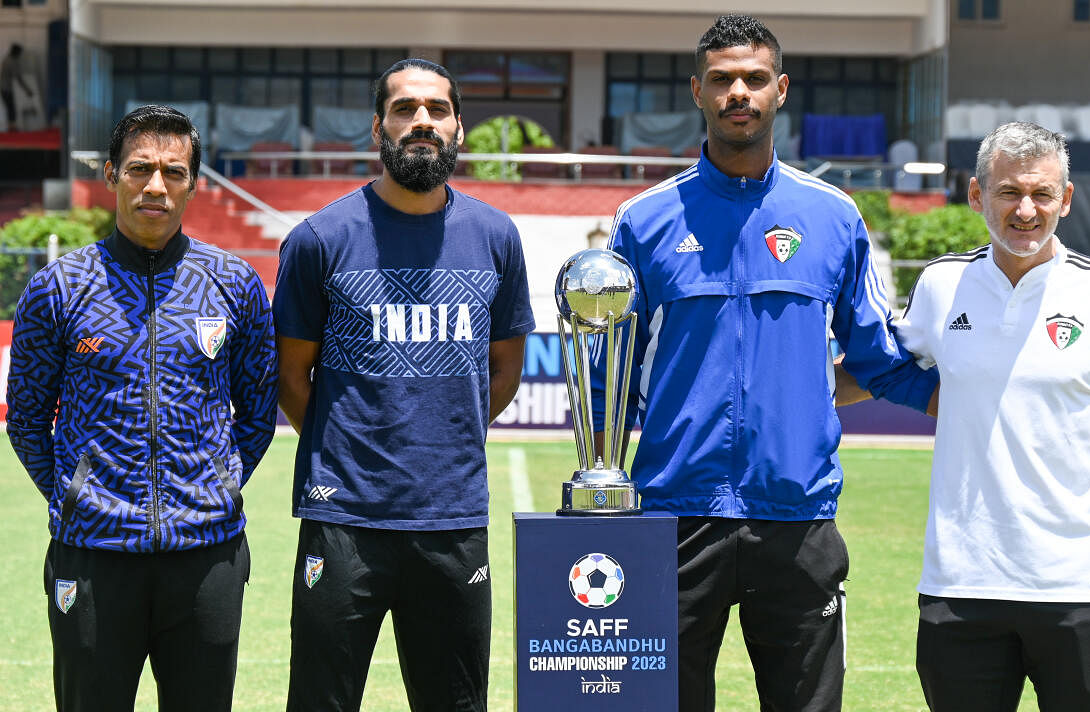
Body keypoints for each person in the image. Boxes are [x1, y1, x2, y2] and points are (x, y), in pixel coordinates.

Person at [590, 14, 938, 711]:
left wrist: (980, 395)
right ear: (698, 91)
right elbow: (610, 381)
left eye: (753, 79)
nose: (738, 93)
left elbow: (878, 356)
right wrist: (602, 501)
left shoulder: (833, 216)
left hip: (798, 516)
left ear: (780, 89)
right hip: (674, 516)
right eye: (722, 80)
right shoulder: (644, 219)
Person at [274, 58, 533, 712]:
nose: (421, 120)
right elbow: (290, 377)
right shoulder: (319, 240)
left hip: (453, 518)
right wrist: (352, 449)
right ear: (378, 128)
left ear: (458, 129)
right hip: (344, 519)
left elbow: (504, 370)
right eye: (404, 108)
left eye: (436, 109)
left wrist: (443, 440)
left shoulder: (497, 238)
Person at [894, 121, 1090, 711]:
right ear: (977, 196)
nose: (1026, 210)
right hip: (962, 582)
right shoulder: (941, 285)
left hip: (1081, 582)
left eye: (1042, 194)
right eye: (1008, 192)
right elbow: (878, 370)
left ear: (1066, 200)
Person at [6, 104, 278, 711]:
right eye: (139, 169)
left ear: (193, 184)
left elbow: (259, 413)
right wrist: (76, 497)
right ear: (110, 175)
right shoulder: (59, 287)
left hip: (206, 554)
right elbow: (25, 418)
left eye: (173, 172)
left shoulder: (234, 284)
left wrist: (220, 486)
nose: (156, 186)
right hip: (94, 556)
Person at [1, 43, 32, 130]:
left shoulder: (6, 59)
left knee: (10, 107)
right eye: (19, 53)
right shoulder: (12, 61)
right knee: (11, 107)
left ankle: (11, 126)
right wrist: (27, 90)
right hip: (7, 88)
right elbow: (18, 78)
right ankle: (12, 127)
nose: (20, 55)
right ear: (16, 52)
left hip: (3, 87)